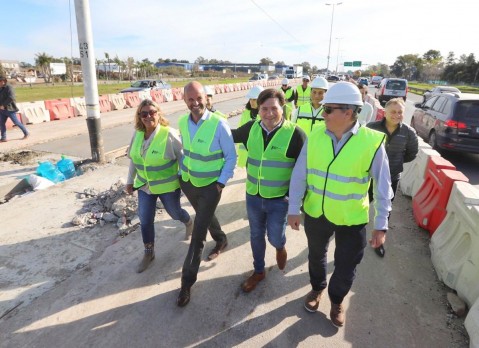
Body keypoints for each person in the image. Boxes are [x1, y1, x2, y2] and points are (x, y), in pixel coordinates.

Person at [287, 82, 393, 327]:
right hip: (316, 212)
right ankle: (316, 289)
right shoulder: (315, 137)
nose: (322, 113)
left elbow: (383, 187)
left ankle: (336, 300)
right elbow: (300, 174)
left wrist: (381, 225)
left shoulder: (372, 142)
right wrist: (294, 208)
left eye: (328, 109)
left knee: (346, 264)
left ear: (348, 112)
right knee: (316, 256)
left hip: (351, 217)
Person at [231, 88, 306, 293]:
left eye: (274, 108)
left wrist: (295, 204)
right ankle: (258, 271)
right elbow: (228, 136)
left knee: (274, 237)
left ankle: (280, 247)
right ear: (258, 110)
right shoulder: (251, 128)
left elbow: (303, 172)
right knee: (256, 235)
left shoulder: (295, 134)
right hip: (253, 196)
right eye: (264, 109)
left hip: (279, 200)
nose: (269, 114)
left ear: (283, 108)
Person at [176, 81, 236, 307]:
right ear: (184, 101)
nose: (195, 103)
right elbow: (186, 151)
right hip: (189, 183)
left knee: (198, 235)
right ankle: (221, 239)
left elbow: (231, 156)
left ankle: (186, 282)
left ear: (206, 98)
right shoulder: (182, 122)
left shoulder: (219, 124)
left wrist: (221, 183)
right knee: (204, 215)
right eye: (190, 99)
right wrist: (182, 174)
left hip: (211, 186)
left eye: (199, 98)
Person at [125, 99, 193, 273]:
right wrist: (130, 181)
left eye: (152, 112)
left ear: (159, 114)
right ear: (139, 117)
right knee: (145, 220)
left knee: (175, 213)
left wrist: (184, 178)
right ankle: (149, 253)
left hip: (167, 186)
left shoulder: (168, 134)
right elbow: (134, 160)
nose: (148, 116)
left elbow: (183, 158)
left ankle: (188, 222)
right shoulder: (137, 134)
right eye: (144, 113)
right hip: (144, 186)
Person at [367, 98, 418, 257]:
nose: (396, 115)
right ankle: (350, 231)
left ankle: (378, 242)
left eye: (400, 112)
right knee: (359, 204)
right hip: (368, 176)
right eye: (393, 112)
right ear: (385, 112)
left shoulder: (409, 133)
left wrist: (395, 163)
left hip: (391, 177)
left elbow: (411, 154)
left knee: (384, 210)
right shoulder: (371, 128)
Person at [236, 85, 264, 168]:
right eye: (251, 99)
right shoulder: (246, 114)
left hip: (261, 154)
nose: (251, 102)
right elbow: (239, 132)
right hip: (248, 153)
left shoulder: (266, 114)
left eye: (254, 99)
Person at [0, 76, 29, 142]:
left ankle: (26, 133)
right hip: (2, 110)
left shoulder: (9, 87)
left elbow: (11, 97)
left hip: (10, 109)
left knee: (16, 122)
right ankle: (3, 138)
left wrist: (3, 105)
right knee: (1, 123)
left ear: (3, 81)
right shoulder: (0, 88)